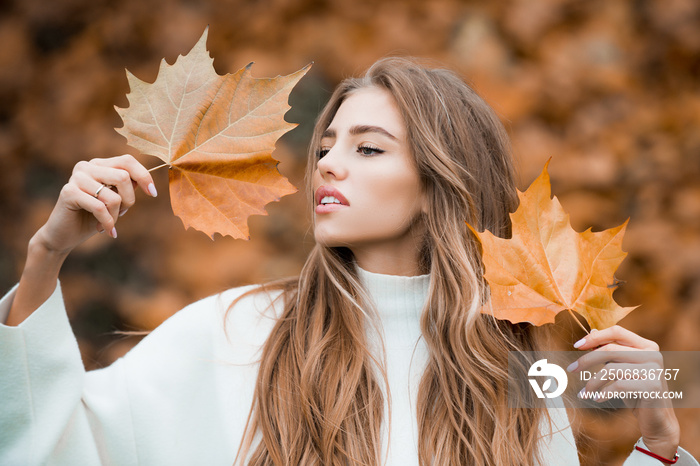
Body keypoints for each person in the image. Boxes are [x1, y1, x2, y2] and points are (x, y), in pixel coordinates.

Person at [0, 57, 696, 465]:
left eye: (368, 148)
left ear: (438, 185)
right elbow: (50, 439)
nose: (328, 164)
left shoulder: (516, 372)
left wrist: (660, 440)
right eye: (327, 145)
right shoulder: (231, 333)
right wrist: (47, 255)